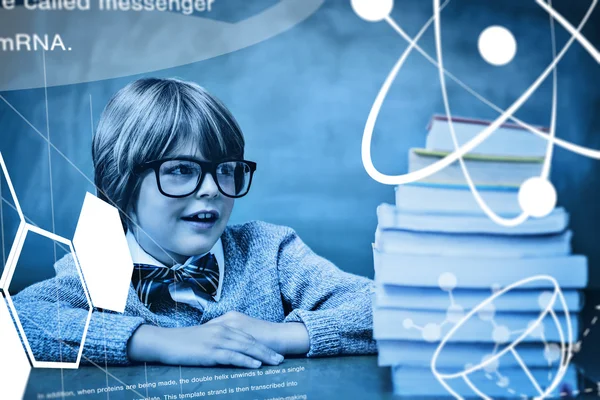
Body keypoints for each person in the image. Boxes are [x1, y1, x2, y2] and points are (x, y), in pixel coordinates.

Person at [12, 78, 377, 369]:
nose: (211, 189)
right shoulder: (96, 271)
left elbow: (386, 308)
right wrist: (158, 342)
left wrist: (276, 334)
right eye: (182, 170)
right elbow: (13, 322)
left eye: (225, 170)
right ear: (118, 183)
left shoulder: (270, 251)